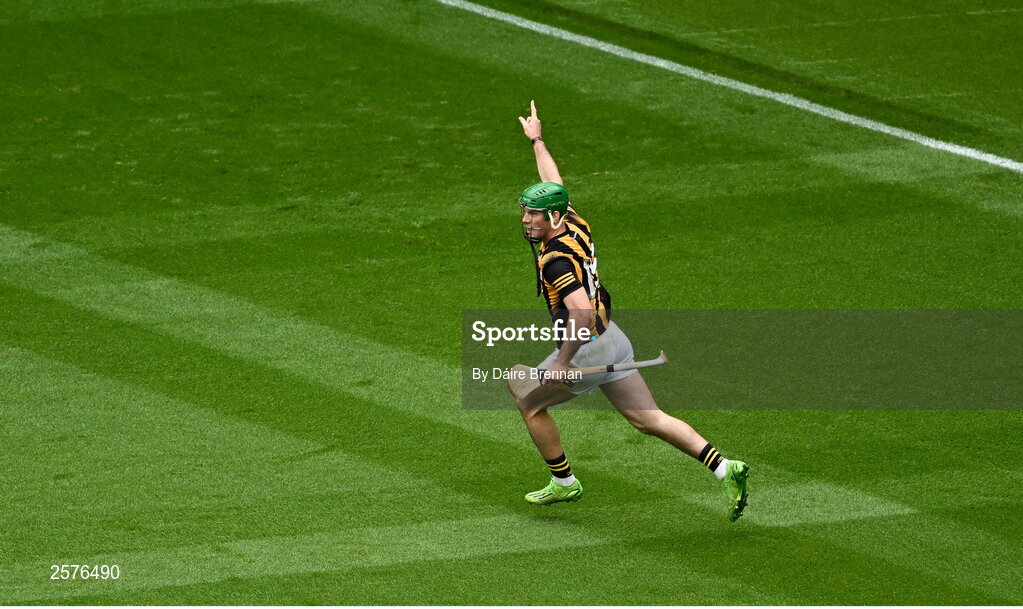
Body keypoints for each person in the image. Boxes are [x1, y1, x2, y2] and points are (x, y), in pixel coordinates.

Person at [515, 100, 750, 521]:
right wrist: (536, 139)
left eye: (532, 213)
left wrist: (562, 363)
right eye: (524, 210)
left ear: (550, 216)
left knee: (528, 401)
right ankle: (724, 467)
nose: (525, 219)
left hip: (588, 345)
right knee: (648, 419)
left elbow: (581, 314)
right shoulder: (573, 222)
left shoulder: (555, 260)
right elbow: (555, 181)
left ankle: (565, 483)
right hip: (614, 338)